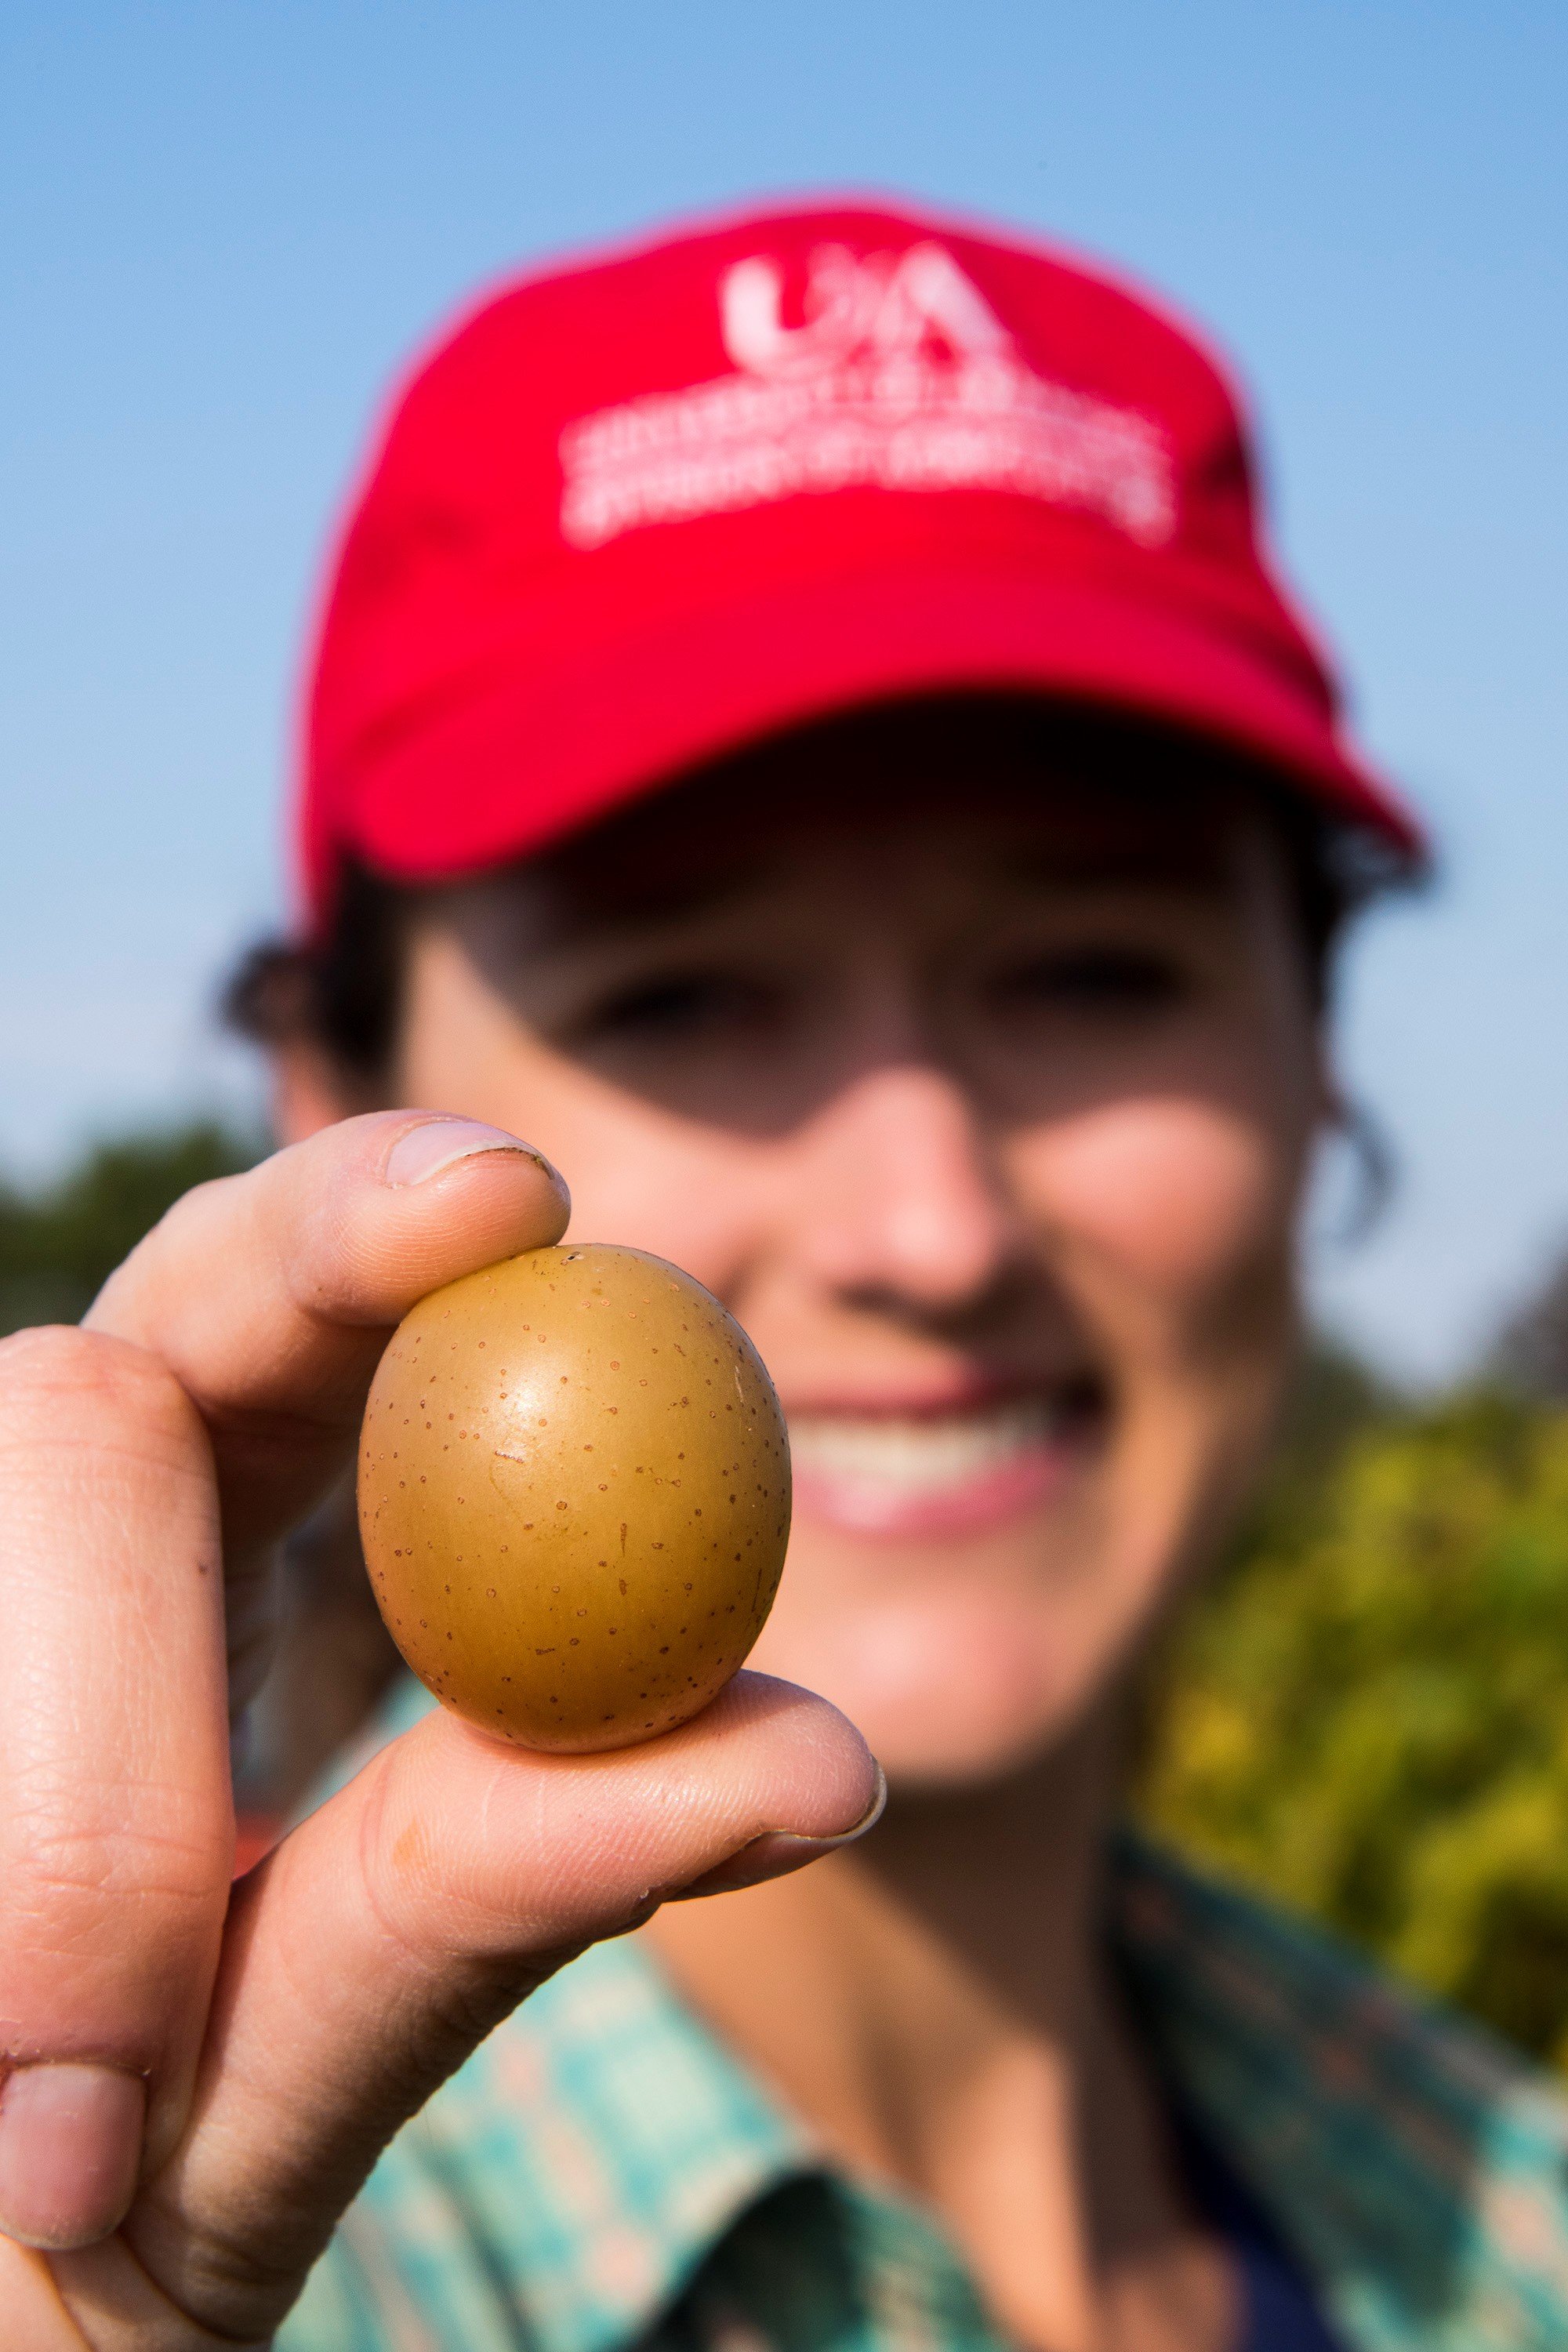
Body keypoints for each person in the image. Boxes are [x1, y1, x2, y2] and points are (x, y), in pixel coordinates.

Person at [3, 198, 1565, 2352]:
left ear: (1318, 1063)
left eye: (1100, 971)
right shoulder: (143, 2251)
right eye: (682, 996)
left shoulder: (1503, 2223)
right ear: (333, 1105)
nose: (929, 1226)